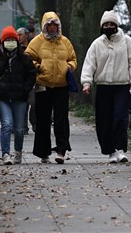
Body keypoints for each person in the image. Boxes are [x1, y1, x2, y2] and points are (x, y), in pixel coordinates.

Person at [80, 10, 131, 163]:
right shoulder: (97, 44)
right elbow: (89, 64)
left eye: (111, 24)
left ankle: (120, 149)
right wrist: (86, 82)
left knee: (120, 117)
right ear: (102, 27)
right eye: (106, 24)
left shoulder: (127, 41)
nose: (109, 26)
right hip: (103, 87)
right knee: (104, 120)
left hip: (122, 86)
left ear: (116, 25)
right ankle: (110, 151)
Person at [25, 12, 77, 164]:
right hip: (43, 84)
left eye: (55, 25)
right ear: (45, 26)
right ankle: (43, 152)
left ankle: (61, 150)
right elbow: (28, 57)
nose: (52, 28)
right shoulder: (37, 41)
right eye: (49, 25)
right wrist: (38, 66)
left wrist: (69, 67)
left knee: (61, 118)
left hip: (62, 85)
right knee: (42, 119)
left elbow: (73, 58)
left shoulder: (65, 42)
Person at [0, 26, 36, 165]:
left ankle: (18, 152)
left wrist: (25, 88)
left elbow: (32, 74)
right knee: (7, 125)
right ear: (2, 42)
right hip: (3, 98)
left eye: (12, 40)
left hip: (20, 97)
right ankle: (5, 154)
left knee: (19, 129)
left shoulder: (24, 59)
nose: (10, 42)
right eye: (7, 40)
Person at [17, 27, 36, 135]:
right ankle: (23, 126)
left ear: (27, 35)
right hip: (20, 81)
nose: (18, 37)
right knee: (23, 105)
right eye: (17, 35)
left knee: (34, 103)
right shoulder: (17, 49)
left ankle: (34, 123)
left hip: (33, 80)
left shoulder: (34, 47)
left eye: (20, 35)